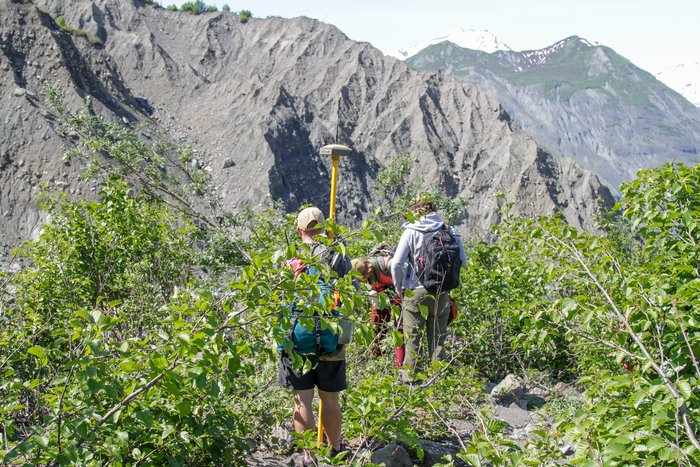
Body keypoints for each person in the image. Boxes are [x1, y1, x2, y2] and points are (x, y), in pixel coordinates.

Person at [277, 206, 351, 466]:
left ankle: (308, 457)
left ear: (299, 230)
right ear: (324, 229)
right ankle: (336, 450)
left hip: (296, 340)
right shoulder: (337, 257)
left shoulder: (288, 259)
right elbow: (350, 292)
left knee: (302, 399)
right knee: (330, 398)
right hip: (331, 337)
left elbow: (278, 298)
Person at [390, 199, 467, 383]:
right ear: (434, 211)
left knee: (413, 337)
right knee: (438, 338)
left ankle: (411, 381)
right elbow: (463, 261)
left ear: (415, 212)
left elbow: (397, 263)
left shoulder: (411, 231)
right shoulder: (448, 230)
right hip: (441, 292)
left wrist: (398, 287)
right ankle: (438, 381)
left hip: (415, 291)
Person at [351, 252, 405, 367]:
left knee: (400, 331)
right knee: (376, 325)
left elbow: (404, 277)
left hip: (400, 296)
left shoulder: (387, 265)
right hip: (382, 297)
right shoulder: (365, 275)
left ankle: (400, 368)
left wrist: (397, 295)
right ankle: (376, 363)